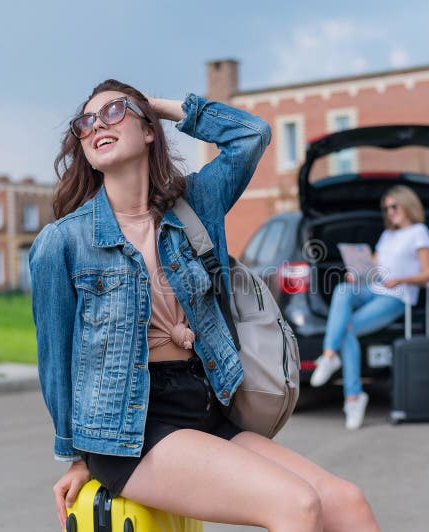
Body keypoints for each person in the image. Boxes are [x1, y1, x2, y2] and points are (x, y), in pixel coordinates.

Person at [29, 79, 380, 532]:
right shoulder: (62, 242)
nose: (97, 125)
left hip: (204, 407)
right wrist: (75, 457)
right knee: (295, 507)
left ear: (149, 129)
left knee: (347, 503)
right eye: (86, 122)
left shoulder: (194, 206)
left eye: (114, 112)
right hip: (128, 432)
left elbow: (251, 134)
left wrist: (156, 105)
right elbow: (55, 361)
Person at [310, 186, 429, 430]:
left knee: (347, 328)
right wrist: (358, 274)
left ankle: (353, 397)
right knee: (343, 290)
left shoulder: (419, 233)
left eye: (394, 207)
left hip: (397, 296)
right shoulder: (387, 235)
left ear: (407, 204)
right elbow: (374, 268)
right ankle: (329, 357)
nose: (390, 212)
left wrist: (402, 279)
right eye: (386, 209)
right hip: (373, 289)